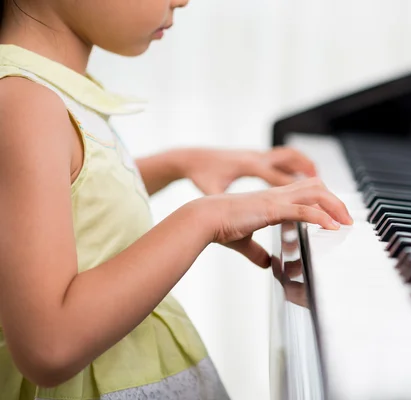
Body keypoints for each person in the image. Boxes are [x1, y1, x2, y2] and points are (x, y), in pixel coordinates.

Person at [0, 0, 353, 398]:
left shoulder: (41, 91)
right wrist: (205, 218)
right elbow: (49, 345)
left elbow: (71, 204)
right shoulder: (24, 103)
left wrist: (179, 162)